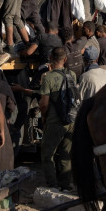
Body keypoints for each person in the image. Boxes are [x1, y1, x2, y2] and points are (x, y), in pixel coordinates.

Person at [38, 47, 76, 190]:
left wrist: (43, 117)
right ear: (65, 60)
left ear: (50, 59)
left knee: (48, 155)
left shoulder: (48, 77)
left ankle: (52, 185)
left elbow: (43, 104)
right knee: (66, 155)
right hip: (71, 120)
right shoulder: (71, 74)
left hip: (54, 121)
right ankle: (65, 184)